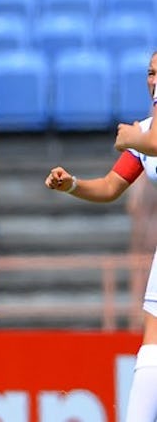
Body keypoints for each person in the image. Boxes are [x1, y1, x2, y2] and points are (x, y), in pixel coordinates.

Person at [46, 50, 157, 422]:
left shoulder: (142, 135)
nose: (154, 80)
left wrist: (135, 138)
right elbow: (111, 186)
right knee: (153, 340)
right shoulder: (144, 132)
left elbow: (152, 143)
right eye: (151, 72)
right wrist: (72, 184)